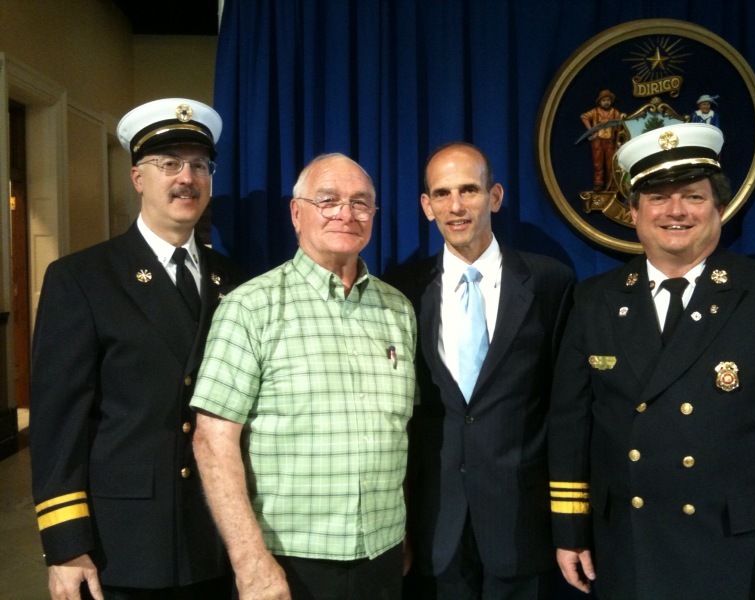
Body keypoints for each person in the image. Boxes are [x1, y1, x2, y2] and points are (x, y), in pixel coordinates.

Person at [548, 122, 755, 599]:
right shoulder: (594, 301)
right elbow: (569, 424)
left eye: (693, 196)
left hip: (739, 555)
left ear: (720, 208)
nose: (675, 211)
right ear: (634, 211)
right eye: (658, 197)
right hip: (625, 548)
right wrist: (568, 527)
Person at [29, 98, 244, 600]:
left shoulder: (235, 280)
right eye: (169, 164)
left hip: (217, 533)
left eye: (199, 165)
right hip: (123, 544)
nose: (186, 178)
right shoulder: (81, 279)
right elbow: (58, 423)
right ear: (137, 178)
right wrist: (66, 545)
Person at [190, 153, 418, 600]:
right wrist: (250, 561)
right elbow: (212, 442)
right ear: (297, 213)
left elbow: (401, 433)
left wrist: (401, 530)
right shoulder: (250, 308)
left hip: (384, 555)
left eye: (360, 203)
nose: (345, 213)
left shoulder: (399, 310)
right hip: (289, 562)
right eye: (327, 200)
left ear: (374, 215)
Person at [383, 142, 575, 599]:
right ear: (426, 207)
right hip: (434, 524)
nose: (456, 206)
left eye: (469, 189)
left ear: (495, 196)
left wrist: (571, 521)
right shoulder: (400, 290)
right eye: (442, 193)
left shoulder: (550, 281)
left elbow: (567, 406)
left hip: (522, 523)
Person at [580, 90, 621, 192]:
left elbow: (621, 123)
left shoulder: (615, 112)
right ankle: (598, 183)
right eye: (604, 100)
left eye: (608, 100)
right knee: (598, 163)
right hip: (598, 141)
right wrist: (591, 131)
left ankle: (611, 184)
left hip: (610, 141)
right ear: (600, 102)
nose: (606, 102)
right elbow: (583, 116)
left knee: (610, 163)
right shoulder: (595, 112)